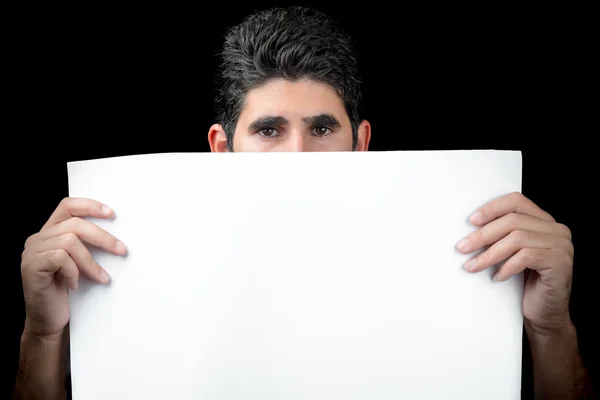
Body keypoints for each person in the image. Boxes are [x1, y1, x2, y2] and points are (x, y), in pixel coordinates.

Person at [13, 6, 595, 400]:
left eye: (321, 129)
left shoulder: (452, 259)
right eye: (269, 129)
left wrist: (551, 332)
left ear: (361, 142)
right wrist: (43, 339)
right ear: (223, 147)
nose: (298, 155)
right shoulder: (146, 268)